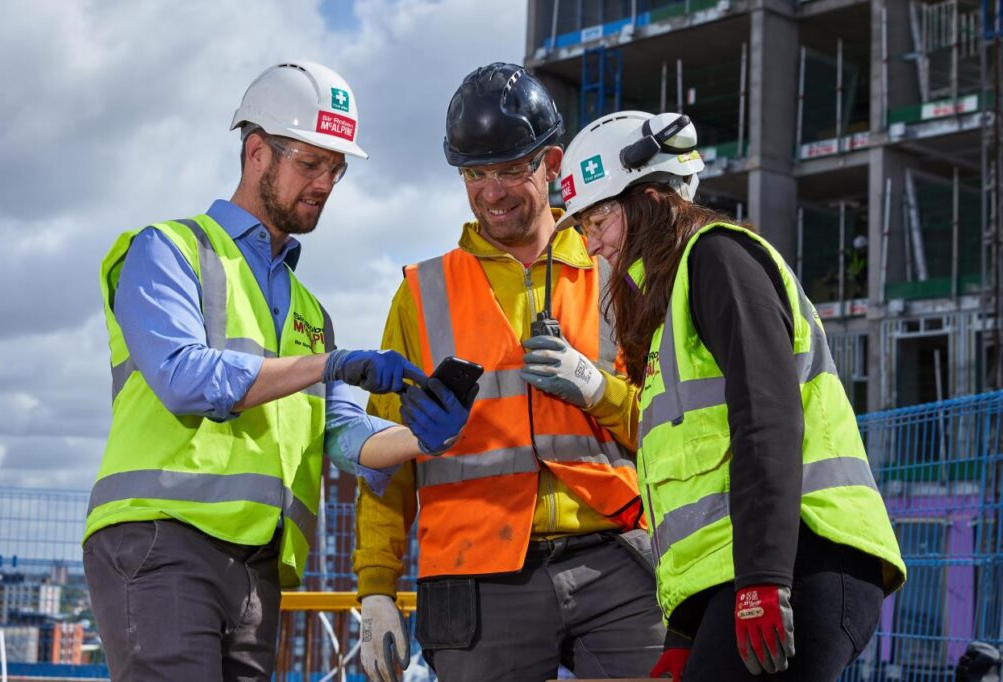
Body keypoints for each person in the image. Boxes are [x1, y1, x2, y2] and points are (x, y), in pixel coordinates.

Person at [83, 61, 473, 682]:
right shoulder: (167, 250)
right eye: (311, 164)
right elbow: (185, 377)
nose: (326, 183)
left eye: (337, 169)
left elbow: (342, 435)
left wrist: (425, 437)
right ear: (258, 152)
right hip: (161, 540)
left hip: (257, 568)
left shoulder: (311, 312)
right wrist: (332, 364)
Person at [553, 109, 907, 681]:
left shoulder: (718, 258)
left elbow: (766, 419)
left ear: (647, 197)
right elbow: (706, 493)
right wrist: (684, 634)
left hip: (803, 562)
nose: (592, 247)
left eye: (597, 220)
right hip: (764, 570)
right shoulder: (675, 304)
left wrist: (764, 581)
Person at [351, 63, 665, 682]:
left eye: (510, 170)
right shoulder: (421, 294)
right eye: (475, 174)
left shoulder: (615, 271)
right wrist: (376, 589)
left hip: (616, 555)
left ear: (551, 164)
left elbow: (670, 420)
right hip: (476, 573)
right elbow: (381, 455)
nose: (491, 192)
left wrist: (601, 393)